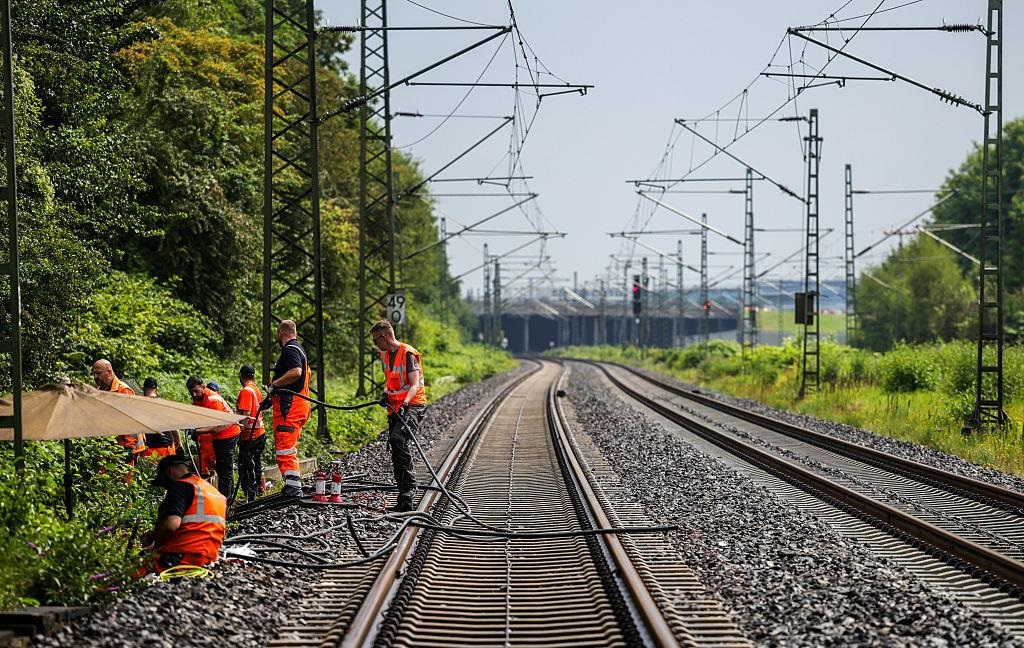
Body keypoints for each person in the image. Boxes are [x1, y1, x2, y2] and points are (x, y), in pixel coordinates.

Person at [370, 319, 428, 512]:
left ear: (385, 337)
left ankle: (409, 489)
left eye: (376, 340)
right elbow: (391, 381)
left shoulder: (408, 354)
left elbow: (414, 385)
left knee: (397, 439)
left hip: (413, 405)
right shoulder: (385, 355)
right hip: (395, 406)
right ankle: (404, 498)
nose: (375, 344)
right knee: (396, 448)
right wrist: (386, 393)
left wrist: (404, 404)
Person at [137, 456, 226, 576]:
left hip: (181, 557)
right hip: (208, 557)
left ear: (169, 471)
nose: (165, 488)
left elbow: (171, 525)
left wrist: (150, 537)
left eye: (164, 482)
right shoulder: (211, 490)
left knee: (125, 574)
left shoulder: (181, 486)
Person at [267, 320, 311, 498]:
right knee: (290, 447)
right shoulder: (300, 349)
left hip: (290, 408)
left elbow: (296, 372)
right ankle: (292, 485)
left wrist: (275, 384)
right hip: (299, 405)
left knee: (285, 447)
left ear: (280, 334)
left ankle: (293, 488)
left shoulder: (290, 349)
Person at [186, 376, 241, 500]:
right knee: (221, 466)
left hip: (229, 432)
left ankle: (226, 500)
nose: (194, 395)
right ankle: (228, 496)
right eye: (191, 392)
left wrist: (198, 431)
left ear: (203, 387)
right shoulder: (197, 398)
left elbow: (218, 427)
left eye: (196, 391)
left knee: (224, 467)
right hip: (218, 435)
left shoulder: (212, 400)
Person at [92, 359, 145, 463]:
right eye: (93, 373)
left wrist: (129, 448)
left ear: (110, 372)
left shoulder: (123, 390)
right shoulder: (100, 392)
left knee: (125, 478)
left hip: (126, 446)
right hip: (110, 446)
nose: (95, 377)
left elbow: (132, 420)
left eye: (98, 373)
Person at [236, 364, 266, 502]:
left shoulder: (246, 391)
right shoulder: (256, 389)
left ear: (241, 375)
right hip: (260, 433)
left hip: (250, 436)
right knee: (256, 463)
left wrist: (239, 433)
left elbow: (246, 415)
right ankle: (259, 490)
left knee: (246, 467)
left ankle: (250, 497)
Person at [139, 378, 177, 459]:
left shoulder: (140, 405)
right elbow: (174, 427)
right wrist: (178, 443)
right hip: (168, 448)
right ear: (156, 389)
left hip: (150, 450)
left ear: (143, 388)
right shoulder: (165, 404)